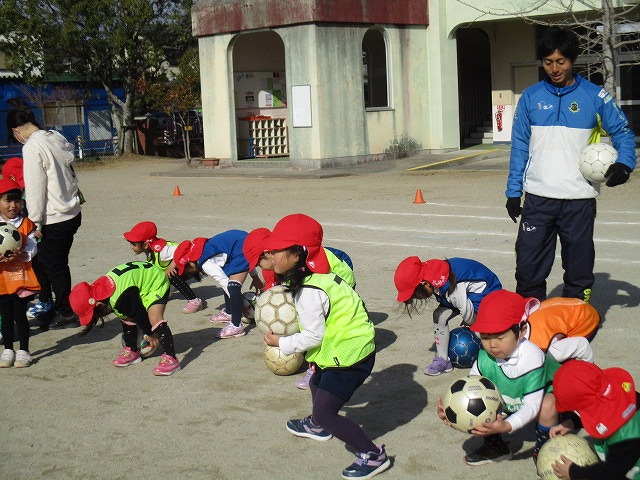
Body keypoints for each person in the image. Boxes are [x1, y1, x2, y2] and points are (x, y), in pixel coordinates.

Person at [505, 26, 637, 303]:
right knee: (528, 269)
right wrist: (513, 191)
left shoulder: (595, 96)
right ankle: (529, 323)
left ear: (572, 60)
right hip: (539, 198)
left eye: (561, 62)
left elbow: (623, 132)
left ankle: (576, 322)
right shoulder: (530, 97)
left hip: (579, 199)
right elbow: (519, 146)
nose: (554, 68)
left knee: (578, 268)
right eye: (548, 62)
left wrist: (624, 164)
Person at [261, 213, 390, 479]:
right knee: (315, 383)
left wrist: (281, 342)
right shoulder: (317, 277)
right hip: (344, 347)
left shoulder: (310, 290)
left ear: (297, 255)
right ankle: (317, 426)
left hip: (351, 356)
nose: (271, 254)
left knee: (327, 412)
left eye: (277, 250)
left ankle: (373, 454)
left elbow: (313, 337)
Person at [437, 289, 560, 465]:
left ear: (522, 331)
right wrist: (452, 411)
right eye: (486, 337)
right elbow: (472, 389)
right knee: (482, 401)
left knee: (548, 405)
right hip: (513, 398)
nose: (493, 345)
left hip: (549, 396)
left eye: (500, 337)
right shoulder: (484, 357)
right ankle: (496, 448)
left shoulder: (532, 358)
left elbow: (532, 406)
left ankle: (545, 450)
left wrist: (508, 426)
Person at [243, 222, 357, 389]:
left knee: (323, 323)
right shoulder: (275, 267)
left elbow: (315, 291)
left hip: (340, 276)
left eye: (258, 263)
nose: (260, 268)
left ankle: (317, 367)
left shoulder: (305, 264)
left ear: (268, 254)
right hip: (320, 279)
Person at [7, 109, 83, 328]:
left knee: (53, 265)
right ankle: (52, 304)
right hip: (71, 211)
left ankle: (65, 310)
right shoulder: (54, 136)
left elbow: (35, 188)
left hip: (54, 216)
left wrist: (34, 221)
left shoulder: (31, 146)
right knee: (51, 262)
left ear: (16, 131)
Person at [394, 256, 502, 375]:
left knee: (478, 327)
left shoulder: (451, 285)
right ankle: (443, 360)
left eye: (416, 295)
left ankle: (494, 360)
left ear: (425, 284)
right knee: (439, 315)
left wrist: (469, 320)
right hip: (464, 295)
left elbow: (468, 314)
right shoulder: (432, 275)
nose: (417, 298)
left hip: (487, 292)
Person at [68, 261, 180, 376]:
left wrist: (152, 334)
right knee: (125, 315)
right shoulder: (102, 290)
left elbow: (140, 315)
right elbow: (128, 313)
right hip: (139, 282)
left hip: (155, 281)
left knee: (154, 318)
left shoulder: (121, 297)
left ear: (98, 305)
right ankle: (132, 350)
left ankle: (171, 358)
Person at [551, 360, 640, 480]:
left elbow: (611, 472)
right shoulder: (622, 396)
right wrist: (573, 422)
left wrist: (574, 473)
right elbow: (603, 409)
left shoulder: (626, 438)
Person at [173, 229, 261, 339]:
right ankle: (229, 313)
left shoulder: (205, 263)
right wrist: (255, 276)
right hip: (240, 243)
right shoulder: (203, 250)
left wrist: (240, 304)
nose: (189, 273)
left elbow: (226, 281)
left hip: (240, 246)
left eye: (187, 269)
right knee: (228, 279)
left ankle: (236, 326)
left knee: (232, 287)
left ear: (190, 261)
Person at [2, 156, 53, 322]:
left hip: (28, 247)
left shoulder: (32, 194)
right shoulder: (11, 196)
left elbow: (37, 214)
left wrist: (36, 228)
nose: (14, 205)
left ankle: (45, 300)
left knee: (39, 271)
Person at [0, 178, 40, 368]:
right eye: (7, 201)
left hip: (20, 278)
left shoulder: (25, 223)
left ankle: (24, 350)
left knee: (20, 315)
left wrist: (23, 254)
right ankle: (8, 349)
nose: (12, 205)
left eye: (17, 201)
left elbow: (33, 246)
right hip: (2, 280)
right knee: (5, 315)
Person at [123, 221, 203, 314]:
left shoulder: (163, 251)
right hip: (176, 269)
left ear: (145, 244)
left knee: (171, 275)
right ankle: (166, 290)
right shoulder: (151, 250)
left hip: (189, 267)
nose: (131, 247)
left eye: (134, 244)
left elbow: (184, 251)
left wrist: (171, 266)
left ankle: (194, 301)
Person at [522, 296, 600, 363]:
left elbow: (582, 344)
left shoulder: (548, 351)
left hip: (586, 318)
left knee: (560, 365)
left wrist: (589, 371)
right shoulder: (520, 320)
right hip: (570, 306)